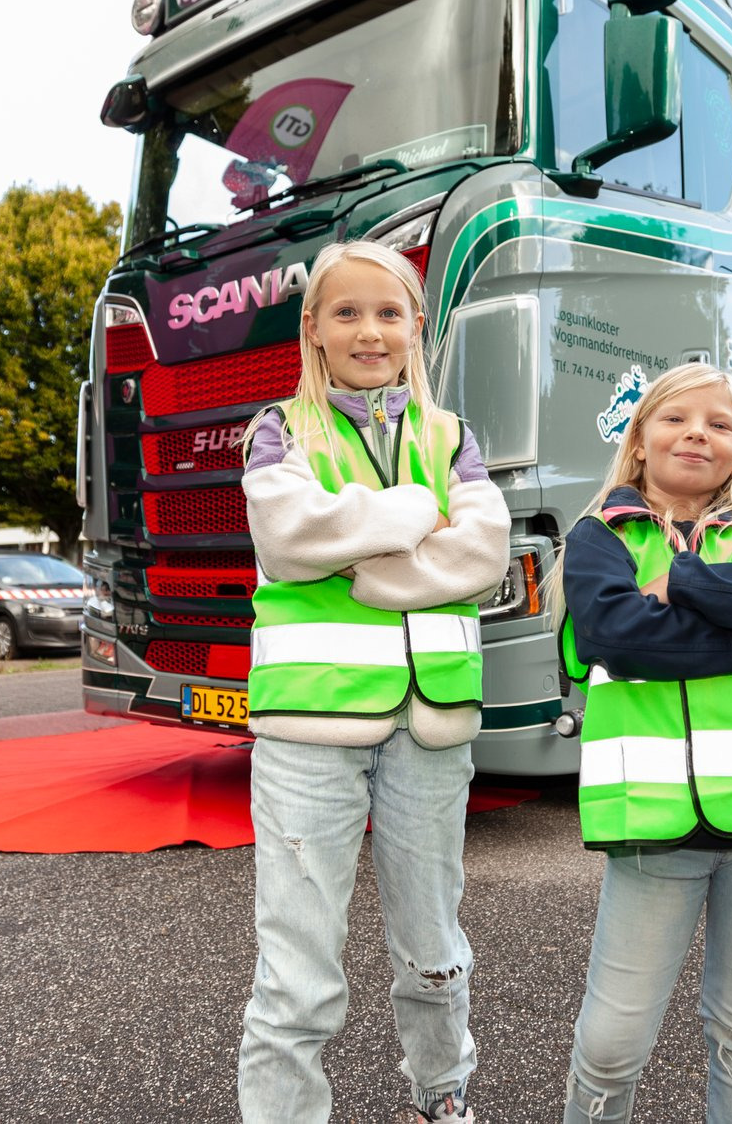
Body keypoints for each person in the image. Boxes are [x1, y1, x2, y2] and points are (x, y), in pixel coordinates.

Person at [236, 240, 509, 1124]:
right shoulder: (278, 427)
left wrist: (369, 563)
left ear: (417, 324)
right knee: (298, 973)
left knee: (435, 949)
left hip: (430, 724)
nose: (369, 330)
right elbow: (288, 535)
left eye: (389, 312)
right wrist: (410, 514)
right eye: (346, 312)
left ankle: (444, 1101)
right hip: (307, 726)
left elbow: (487, 555)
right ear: (311, 327)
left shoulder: (453, 433)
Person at [556, 362, 732, 1123]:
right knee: (612, 1043)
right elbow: (619, 636)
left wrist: (685, 584)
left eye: (719, 424)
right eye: (676, 419)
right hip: (652, 827)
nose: (697, 434)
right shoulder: (598, 536)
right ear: (640, 440)